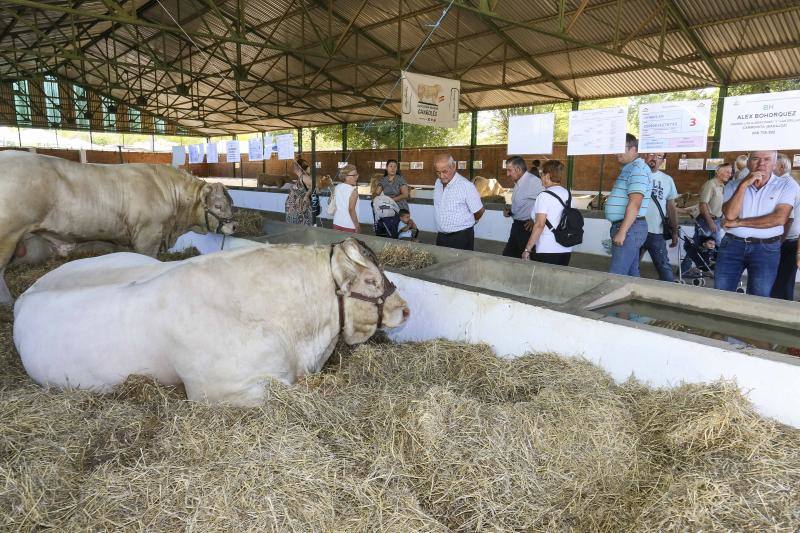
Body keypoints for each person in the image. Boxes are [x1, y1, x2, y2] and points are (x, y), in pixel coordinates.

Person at [716, 150, 799, 296]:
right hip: (732, 245)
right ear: (748, 163)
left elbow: (779, 218)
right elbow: (730, 215)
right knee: (721, 293)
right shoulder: (733, 185)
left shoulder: (786, 185)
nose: (761, 163)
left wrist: (738, 223)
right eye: (756, 159)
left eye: (767, 159)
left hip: (766, 248)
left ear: (774, 164)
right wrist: (744, 185)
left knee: (760, 296)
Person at [604, 133, 651, 277]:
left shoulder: (638, 170)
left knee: (616, 276)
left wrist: (622, 231)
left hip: (629, 228)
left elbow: (635, 203)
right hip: (630, 227)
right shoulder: (631, 168)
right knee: (631, 274)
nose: (616, 152)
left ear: (634, 149)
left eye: (621, 148)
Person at [680, 162, 733, 275]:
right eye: (727, 172)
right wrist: (710, 222)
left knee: (715, 246)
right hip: (706, 221)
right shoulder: (710, 185)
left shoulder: (722, 186)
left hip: (717, 220)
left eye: (730, 172)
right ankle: (684, 270)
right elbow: (703, 204)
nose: (730, 174)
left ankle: (714, 270)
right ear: (718, 172)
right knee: (698, 246)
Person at [521, 160, 573, 266]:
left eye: (542, 174)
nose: (541, 177)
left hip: (547, 248)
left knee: (543, 281)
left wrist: (527, 249)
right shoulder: (568, 194)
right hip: (566, 247)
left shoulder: (544, 196)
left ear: (547, 176)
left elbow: (540, 225)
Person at [433, 153, 484, 250]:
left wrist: (471, 222)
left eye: (444, 171)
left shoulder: (465, 186)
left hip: (461, 237)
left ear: (453, 167)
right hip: (441, 236)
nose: (441, 176)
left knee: (460, 264)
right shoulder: (438, 183)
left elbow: (479, 211)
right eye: (438, 172)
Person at [640, 153, 678, 282]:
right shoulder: (636, 175)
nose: (654, 158)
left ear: (663, 161)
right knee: (630, 266)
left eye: (659, 156)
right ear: (644, 156)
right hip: (634, 229)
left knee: (663, 267)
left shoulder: (668, 180)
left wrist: (675, 232)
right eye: (651, 154)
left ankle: (669, 295)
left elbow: (671, 208)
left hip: (656, 232)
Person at [502, 155, 543, 258]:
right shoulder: (518, 182)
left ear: (518, 169)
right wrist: (510, 211)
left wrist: (534, 219)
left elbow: (545, 202)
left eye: (509, 170)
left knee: (527, 259)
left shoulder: (534, 182)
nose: (507, 174)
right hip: (516, 226)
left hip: (527, 228)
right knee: (508, 256)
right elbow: (523, 202)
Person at [770, 188, 800, 300]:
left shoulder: (790, 188)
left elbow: (790, 219)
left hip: (787, 241)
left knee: (782, 279)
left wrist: (779, 242)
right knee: (786, 279)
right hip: (790, 241)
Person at [332, 164, 360, 233]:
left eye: (357, 175)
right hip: (349, 225)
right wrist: (357, 226)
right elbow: (351, 209)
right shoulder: (353, 191)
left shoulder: (337, 187)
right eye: (354, 175)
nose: (356, 177)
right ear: (346, 177)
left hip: (336, 222)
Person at [285, 158, 313, 225]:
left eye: (294, 166)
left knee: (301, 231)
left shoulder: (303, 177)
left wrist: (306, 196)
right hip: (295, 211)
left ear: (298, 167)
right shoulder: (300, 177)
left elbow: (315, 185)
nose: (293, 168)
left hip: (300, 211)